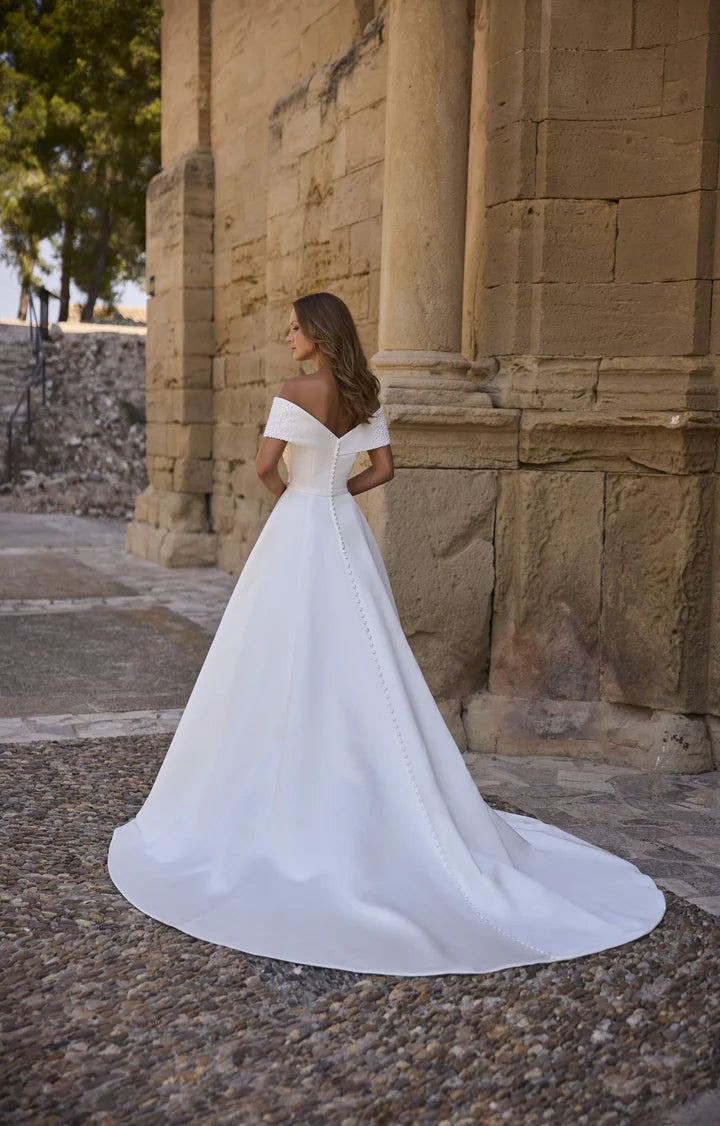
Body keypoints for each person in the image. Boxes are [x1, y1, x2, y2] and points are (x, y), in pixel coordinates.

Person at [107, 290, 666, 977]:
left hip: (303, 527)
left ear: (317, 332)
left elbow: (262, 467)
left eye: (294, 326)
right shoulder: (363, 393)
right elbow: (385, 470)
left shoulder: (295, 389)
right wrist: (337, 497)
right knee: (366, 654)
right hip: (344, 528)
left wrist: (300, 502)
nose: (287, 334)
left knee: (277, 652)